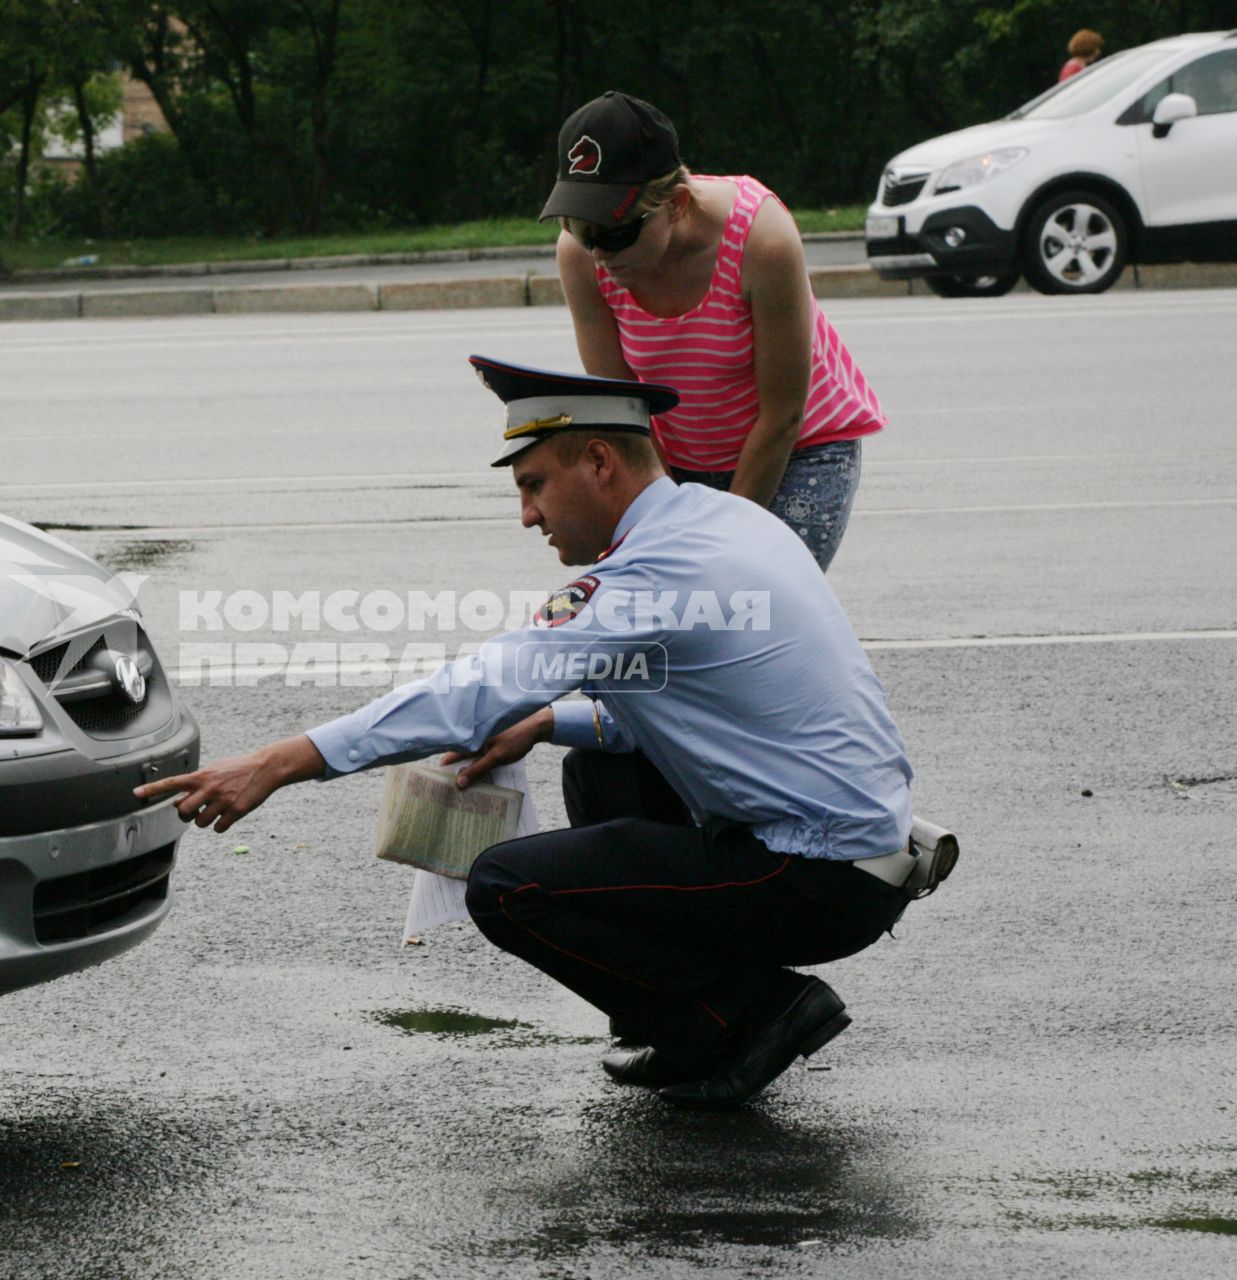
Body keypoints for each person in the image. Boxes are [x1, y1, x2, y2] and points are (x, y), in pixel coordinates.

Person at [136, 356, 933, 1111]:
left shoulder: (653, 574)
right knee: (592, 764)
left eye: (533, 486)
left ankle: (741, 1016)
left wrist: (281, 762)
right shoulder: (717, 519)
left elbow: (474, 689)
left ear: (598, 461)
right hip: (859, 855)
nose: (526, 516)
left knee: (508, 887)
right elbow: (669, 700)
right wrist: (547, 721)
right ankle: (694, 1003)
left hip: (814, 880)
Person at [543, 91, 887, 572]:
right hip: (680, 457)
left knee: (752, 605)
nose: (598, 252)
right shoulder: (581, 256)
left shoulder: (761, 240)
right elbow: (623, 409)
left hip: (799, 450)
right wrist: (670, 515)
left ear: (677, 204)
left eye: (616, 232)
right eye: (581, 228)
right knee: (689, 616)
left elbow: (783, 414)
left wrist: (721, 537)